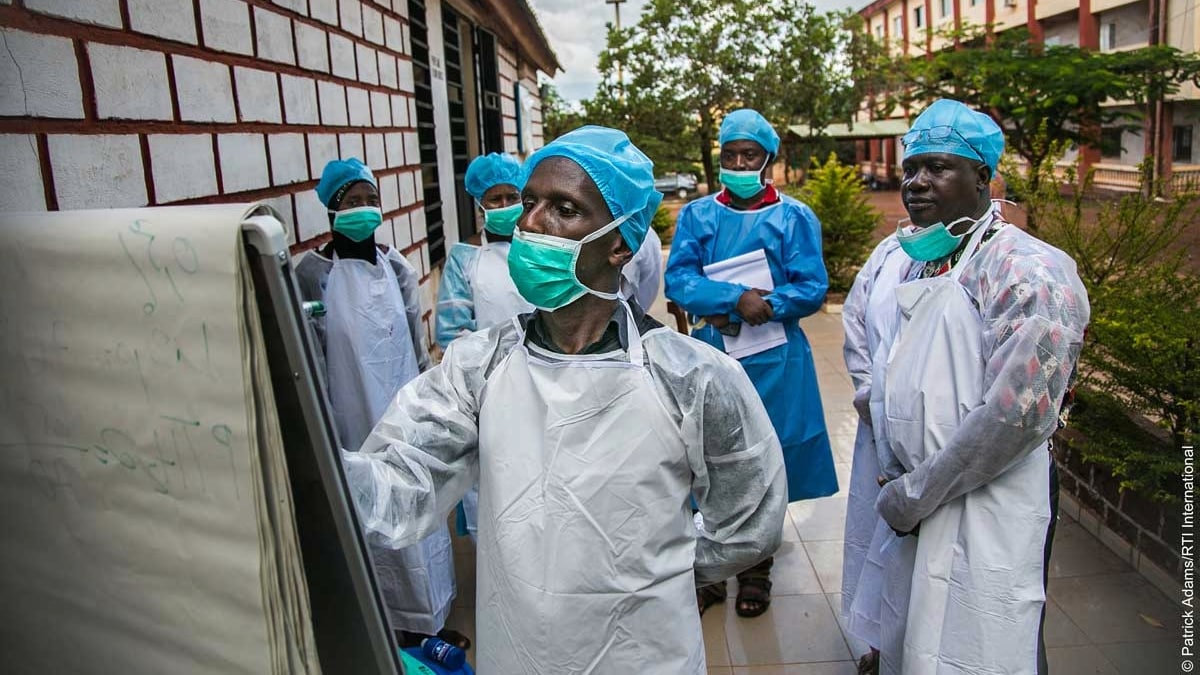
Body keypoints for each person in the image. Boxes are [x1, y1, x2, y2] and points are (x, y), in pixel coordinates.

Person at [340, 126, 787, 673]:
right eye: (529, 202)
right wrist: (305, 463)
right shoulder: (477, 368)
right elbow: (399, 488)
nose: (529, 222)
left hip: (646, 651)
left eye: (564, 209)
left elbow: (748, 523)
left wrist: (649, 570)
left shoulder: (693, 378)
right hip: (518, 647)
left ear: (620, 243)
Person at [844, 99, 1089, 675]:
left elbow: (1016, 416)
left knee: (985, 639)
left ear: (983, 176)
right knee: (915, 626)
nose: (916, 184)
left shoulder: (1029, 271)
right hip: (911, 489)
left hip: (985, 496)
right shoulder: (915, 263)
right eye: (911, 169)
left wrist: (919, 492)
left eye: (938, 168)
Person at [665, 108, 837, 618]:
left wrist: (768, 306)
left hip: (778, 356)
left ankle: (757, 565)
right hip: (715, 351)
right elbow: (679, 281)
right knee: (708, 454)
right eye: (731, 154)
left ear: (767, 160)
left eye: (750, 155)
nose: (739, 163)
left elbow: (811, 287)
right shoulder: (698, 216)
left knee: (770, 457)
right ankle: (710, 567)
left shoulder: (794, 217)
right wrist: (736, 298)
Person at [293, 158, 465, 651]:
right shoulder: (312, 275)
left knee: (418, 508)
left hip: (404, 411)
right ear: (331, 209)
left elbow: (415, 342)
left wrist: (430, 405)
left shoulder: (395, 266)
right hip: (350, 419)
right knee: (372, 515)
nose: (365, 210)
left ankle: (430, 618)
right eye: (352, 202)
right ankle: (387, 624)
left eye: (371, 200)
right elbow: (308, 353)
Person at [435, 152, 533, 542]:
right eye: (495, 199)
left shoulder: (540, 252)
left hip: (544, 379)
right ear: (479, 205)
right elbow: (452, 333)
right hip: (488, 390)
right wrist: (490, 374)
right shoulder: (464, 259)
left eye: (513, 196)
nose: (505, 206)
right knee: (493, 482)